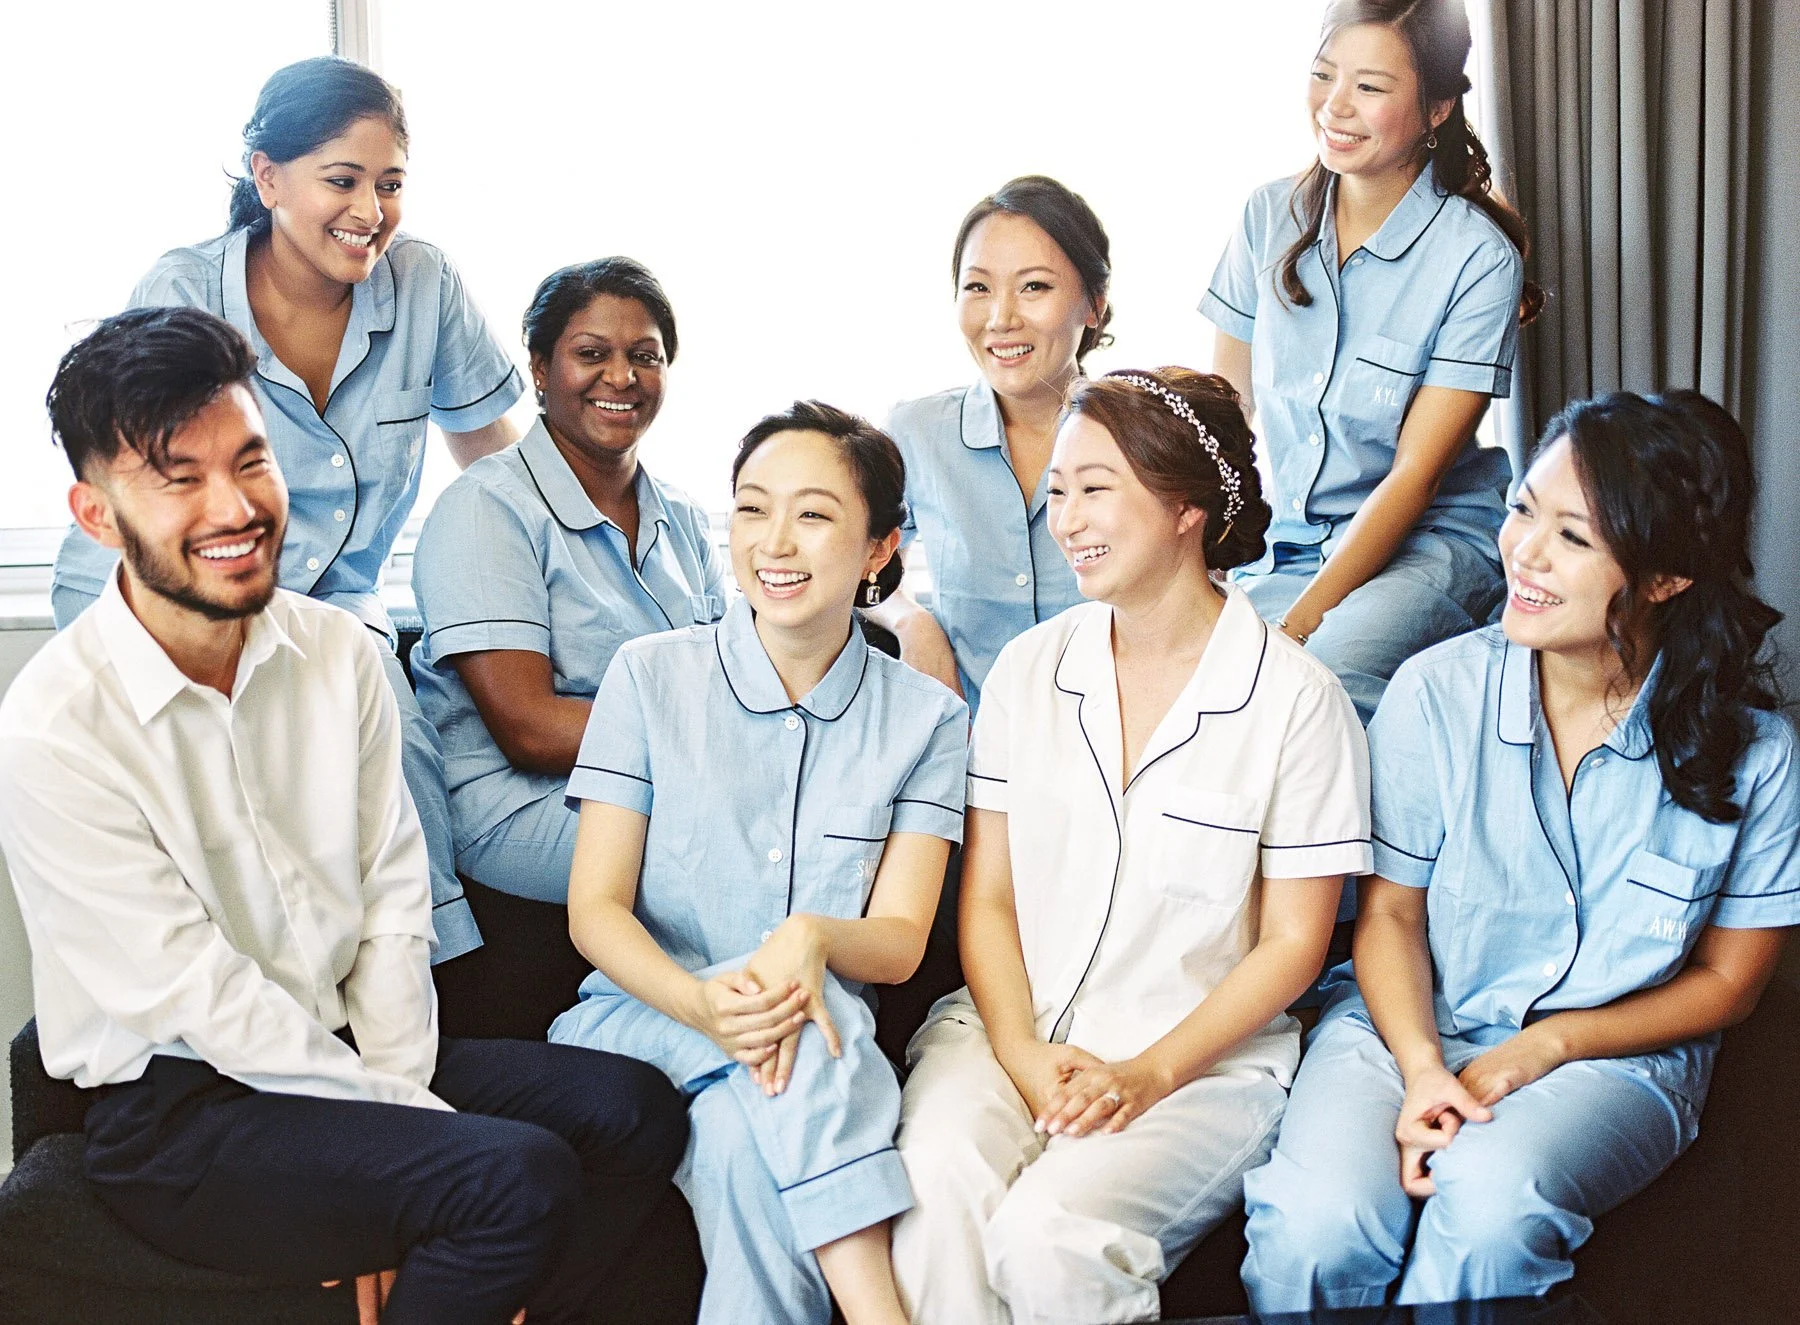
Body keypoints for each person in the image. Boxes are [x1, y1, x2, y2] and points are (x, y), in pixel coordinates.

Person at [2, 307, 685, 1325]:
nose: (234, 506)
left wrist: (399, 1145)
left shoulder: (340, 654)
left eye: (250, 461)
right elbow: (203, 994)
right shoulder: (54, 726)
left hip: (354, 1039)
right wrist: (405, 1155)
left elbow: (394, 904)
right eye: (177, 478)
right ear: (96, 513)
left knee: (638, 1113)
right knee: (515, 1180)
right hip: (182, 1109)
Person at [1240, 390, 1799, 1308]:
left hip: (1611, 1056)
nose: (1524, 554)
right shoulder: (1432, 694)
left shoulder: (1759, 756)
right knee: (1315, 1221)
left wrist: (1546, 1046)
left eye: (1574, 538)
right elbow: (1389, 914)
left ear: (1665, 576)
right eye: (1521, 511)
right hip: (1404, 1022)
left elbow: (1732, 984)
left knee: (1494, 1205)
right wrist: (1423, 1065)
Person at [892, 368, 1372, 1325]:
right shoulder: (1033, 670)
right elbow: (986, 898)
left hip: (1198, 1068)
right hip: (1007, 1035)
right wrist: (1025, 1053)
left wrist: (1147, 1074)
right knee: (932, 1189)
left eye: (1095, 487)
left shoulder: (1297, 700)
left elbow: (1293, 946)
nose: (1065, 518)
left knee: (1051, 1238)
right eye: (1057, 490)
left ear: (1186, 505)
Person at [49, 56, 525, 960]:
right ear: (267, 177)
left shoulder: (424, 284)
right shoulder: (184, 292)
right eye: (340, 180)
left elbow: (501, 474)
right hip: (167, 592)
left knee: (389, 720)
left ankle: (430, 989)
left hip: (331, 606)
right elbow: (146, 497)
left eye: (389, 184)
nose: (369, 210)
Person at [548, 402, 968, 1325]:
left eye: (814, 514)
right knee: (800, 1031)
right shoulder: (648, 676)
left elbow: (898, 946)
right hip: (644, 1020)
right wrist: (706, 1004)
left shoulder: (929, 720)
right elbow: (597, 911)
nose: (775, 540)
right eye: (751, 508)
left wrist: (810, 936)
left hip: (806, 1053)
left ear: (878, 548)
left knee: (745, 1138)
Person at [1201, 0, 1540, 727]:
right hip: (1291, 540)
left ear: (1437, 108)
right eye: (1325, 76)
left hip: (1426, 543)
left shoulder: (1477, 258)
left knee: (1306, 685)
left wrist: (1296, 625)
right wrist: (1203, 558)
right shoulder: (1268, 215)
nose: (1336, 106)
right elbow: (1220, 419)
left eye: (1372, 87)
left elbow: (1415, 477)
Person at [410, 258, 724, 1032]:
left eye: (644, 356)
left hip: (659, 783)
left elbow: (731, 674)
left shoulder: (682, 518)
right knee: (751, 849)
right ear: (541, 371)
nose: (621, 375)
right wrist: (715, 740)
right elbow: (529, 727)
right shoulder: (486, 510)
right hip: (518, 806)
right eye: (591, 354)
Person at [873, 175, 1110, 713]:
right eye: (978, 288)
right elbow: (858, 565)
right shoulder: (916, 433)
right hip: (968, 750)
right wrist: (911, 620)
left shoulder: (1141, 437)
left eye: (1034, 287)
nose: (1001, 319)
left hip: (1119, 750)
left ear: (1093, 304)